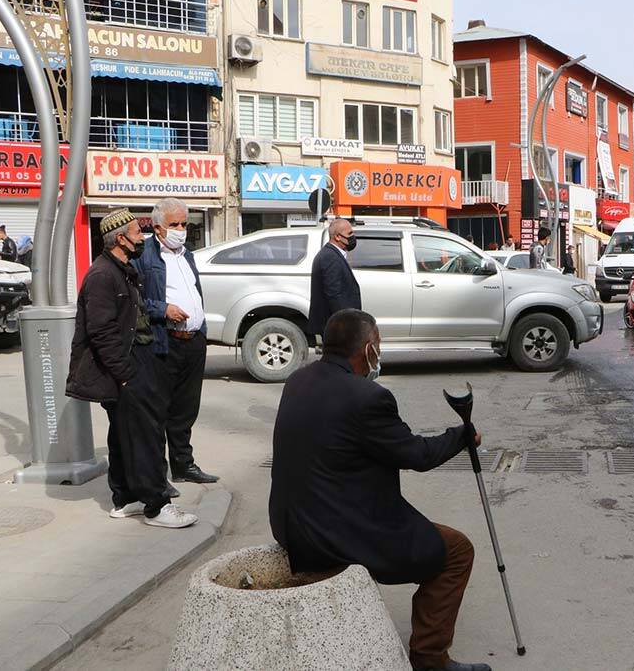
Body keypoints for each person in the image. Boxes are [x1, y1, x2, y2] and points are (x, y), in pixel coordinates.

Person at [269, 309, 489, 671]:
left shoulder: (299, 379)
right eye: (379, 345)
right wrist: (461, 436)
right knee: (456, 552)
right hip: (336, 532)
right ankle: (431, 659)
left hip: (289, 522)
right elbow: (416, 455)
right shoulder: (368, 397)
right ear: (368, 349)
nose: (379, 353)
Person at [65, 208, 197, 529]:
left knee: (123, 436)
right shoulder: (102, 276)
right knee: (144, 436)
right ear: (120, 239)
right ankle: (156, 505)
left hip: (135, 361)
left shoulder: (123, 270)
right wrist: (124, 374)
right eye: (138, 233)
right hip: (125, 368)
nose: (143, 238)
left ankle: (126, 499)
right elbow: (101, 332)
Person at [135, 198, 219, 495]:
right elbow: (135, 300)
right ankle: (159, 476)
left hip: (193, 341)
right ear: (158, 227)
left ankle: (184, 464)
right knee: (159, 412)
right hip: (164, 342)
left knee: (186, 409)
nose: (181, 230)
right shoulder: (143, 255)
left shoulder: (187, 255)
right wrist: (163, 310)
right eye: (175, 225)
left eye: (185, 224)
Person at [308, 218, 362, 341]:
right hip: (337, 326)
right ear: (337, 237)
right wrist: (345, 324)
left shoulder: (331, 254)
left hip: (336, 324)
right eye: (349, 234)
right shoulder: (329, 257)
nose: (353, 237)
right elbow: (334, 294)